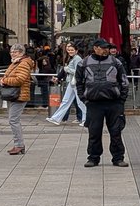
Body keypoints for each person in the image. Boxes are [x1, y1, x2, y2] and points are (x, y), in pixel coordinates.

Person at [77, 37, 129, 167]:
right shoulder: (84, 63)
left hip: (114, 103)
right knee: (94, 132)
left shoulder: (116, 62)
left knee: (116, 131)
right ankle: (93, 158)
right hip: (93, 103)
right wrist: (84, 99)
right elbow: (78, 83)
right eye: (103, 48)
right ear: (95, 48)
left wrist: (121, 100)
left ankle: (118, 158)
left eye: (107, 48)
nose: (106, 50)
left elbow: (124, 81)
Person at [0, 44, 36, 155]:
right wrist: (2, 79)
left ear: (21, 53)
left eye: (15, 52)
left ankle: (19, 145)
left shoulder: (23, 63)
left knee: (13, 120)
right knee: (13, 120)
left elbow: (20, 79)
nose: (12, 54)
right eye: (11, 52)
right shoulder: (16, 62)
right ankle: (18, 145)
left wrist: (4, 81)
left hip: (19, 95)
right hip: (14, 95)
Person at [45, 42, 86, 127]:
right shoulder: (73, 58)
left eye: (72, 50)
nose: (70, 51)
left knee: (79, 102)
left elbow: (78, 72)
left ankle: (86, 120)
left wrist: (67, 69)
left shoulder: (77, 58)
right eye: (69, 50)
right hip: (72, 82)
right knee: (66, 101)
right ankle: (56, 118)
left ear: (76, 51)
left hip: (76, 83)